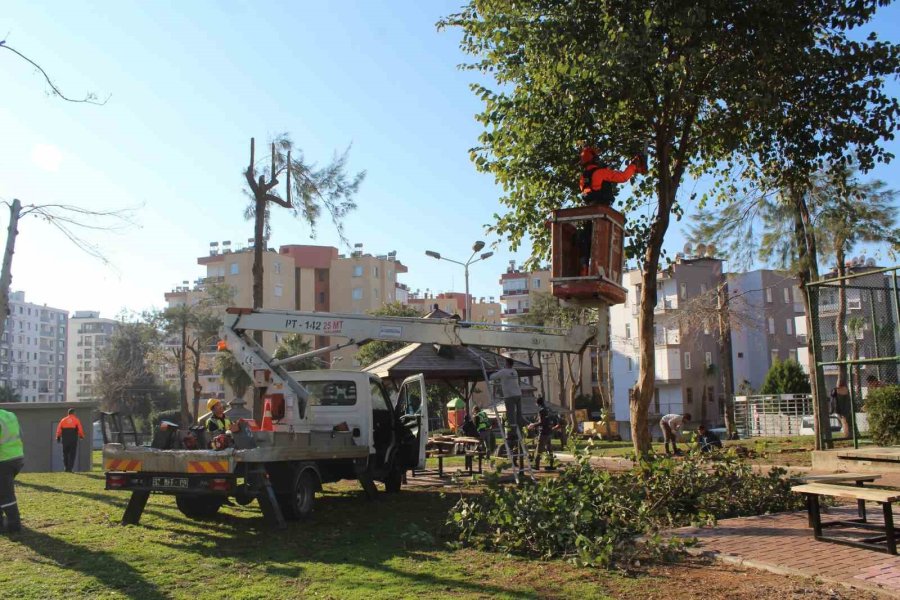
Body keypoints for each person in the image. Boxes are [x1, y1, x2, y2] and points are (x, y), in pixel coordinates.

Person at [579, 146, 646, 207]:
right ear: (595, 159)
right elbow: (623, 177)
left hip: (589, 207)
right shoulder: (600, 172)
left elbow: (591, 189)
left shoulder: (582, 177)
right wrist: (634, 165)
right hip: (602, 205)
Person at [0, 407, 24, 534]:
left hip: (3, 460)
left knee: (5, 494)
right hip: (17, 458)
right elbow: (21, 434)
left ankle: (14, 526)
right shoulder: (10, 415)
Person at [489, 358, 524, 431]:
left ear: (507, 363)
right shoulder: (514, 371)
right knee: (519, 412)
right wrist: (500, 370)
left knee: (510, 413)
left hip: (509, 395)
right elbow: (505, 372)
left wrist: (492, 372)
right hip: (518, 394)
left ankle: (513, 428)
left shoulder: (503, 372)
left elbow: (492, 377)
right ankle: (520, 425)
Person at [529, 397, 556, 470]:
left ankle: (536, 465)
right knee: (549, 449)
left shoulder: (541, 411)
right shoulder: (548, 409)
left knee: (539, 449)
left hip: (543, 432)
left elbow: (542, 422)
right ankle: (551, 465)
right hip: (549, 432)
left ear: (537, 403)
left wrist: (533, 425)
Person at [55, 408, 85, 473]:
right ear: (74, 413)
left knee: (65, 453)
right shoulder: (76, 420)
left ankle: (66, 467)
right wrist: (81, 436)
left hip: (65, 438)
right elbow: (80, 429)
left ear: (68, 413)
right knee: (72, 454)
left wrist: (58, 437)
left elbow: (59, 429)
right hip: (73, 438)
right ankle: (70, 468)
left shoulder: (63, 420)